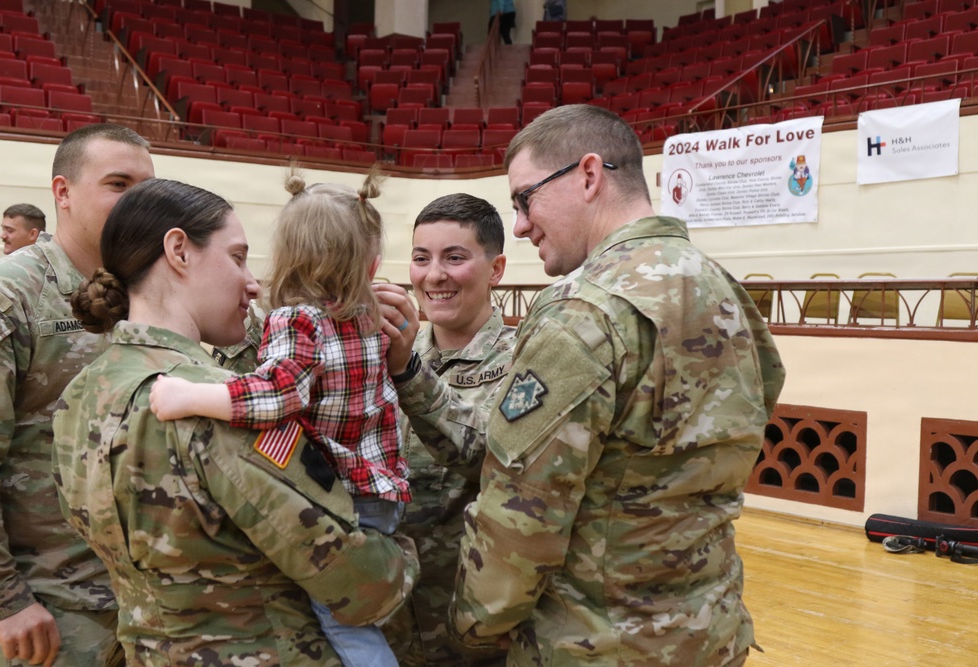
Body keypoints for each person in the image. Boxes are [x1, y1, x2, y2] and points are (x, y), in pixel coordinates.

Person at [393, 104, 785, 665]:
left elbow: (522, 517)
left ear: (589, 175)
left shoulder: (583, 312)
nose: (523, 223)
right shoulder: (725, 291)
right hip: (708, 631)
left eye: (526, 199)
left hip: (596, 641)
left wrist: (470, 630)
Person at [53, 178, 419, 665]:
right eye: (238, 257)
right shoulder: (215, 406)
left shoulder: (80, 393)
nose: (253, 282)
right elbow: (355, 584)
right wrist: (406, 555)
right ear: (179, 251)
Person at [0, 123, 154, 667]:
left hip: (141, 610)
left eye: (147, 189)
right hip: (46, 612)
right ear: (63, 193)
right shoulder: (6, 294)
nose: (138, 204)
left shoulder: (146, 295)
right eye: (119, 184)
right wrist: (0, 600)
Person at [374, 194, 514, 666]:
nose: (434, 275)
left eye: (454, 257)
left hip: (471, 627)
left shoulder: (526, 357)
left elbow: (491, 456)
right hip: (386, 614)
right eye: (421, 258)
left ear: (495, 269)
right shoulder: (385, 354)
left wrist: (408, 373)